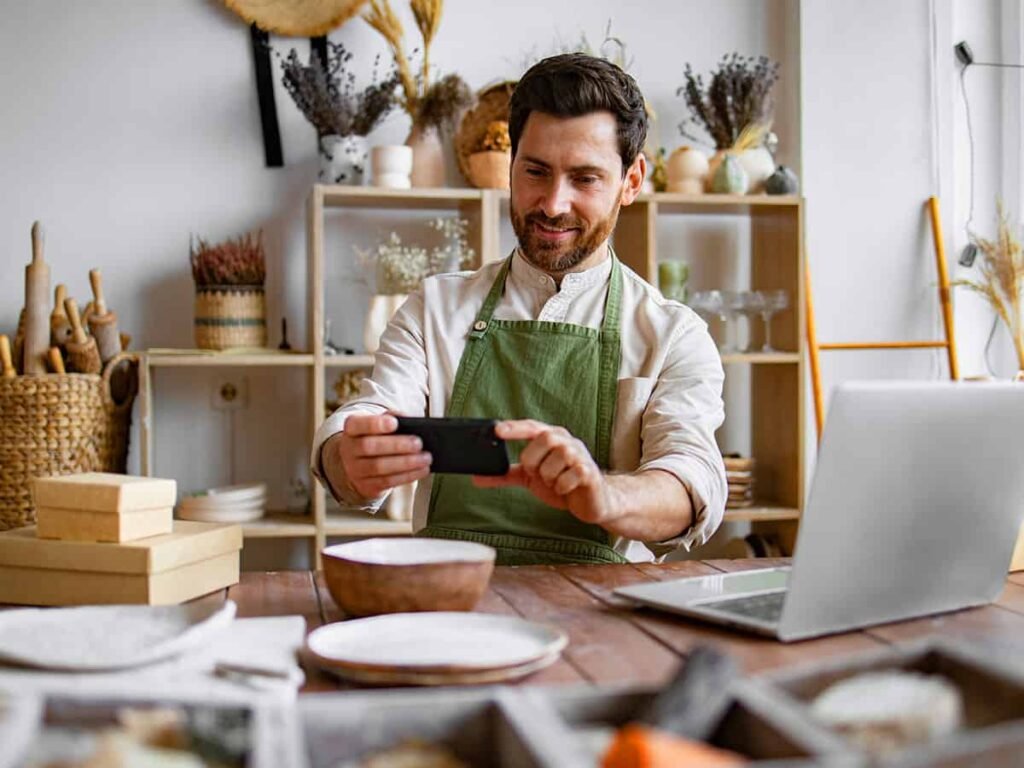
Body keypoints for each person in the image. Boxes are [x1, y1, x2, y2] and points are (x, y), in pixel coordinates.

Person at [311, 53, 727, 564]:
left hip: (603, 615)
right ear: (510, 167)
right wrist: (348, 459)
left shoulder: (673, 334)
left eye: (585, 178)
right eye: (535, 171)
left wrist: (605, 494)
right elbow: (369, 415)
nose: (553, 203)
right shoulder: (435, 307)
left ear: (632, 181)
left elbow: (691, 478)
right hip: (453, 600)